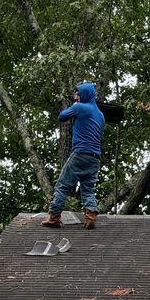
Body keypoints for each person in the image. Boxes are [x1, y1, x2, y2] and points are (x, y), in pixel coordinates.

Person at [42, 82, 105, 230]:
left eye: (78, 94)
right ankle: (90, 217)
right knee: (88, 189)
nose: (76, 96)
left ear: (84, 94)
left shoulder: (79, 107)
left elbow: (62, 116)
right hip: (95, 157)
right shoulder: (101, 115)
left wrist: (75, 106)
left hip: (80, 154)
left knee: (62, 185)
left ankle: (54, 217)